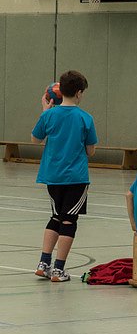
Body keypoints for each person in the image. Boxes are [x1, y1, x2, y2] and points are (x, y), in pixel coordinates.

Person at [32, 70, 97, 282]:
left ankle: (44, 263)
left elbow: (35, 139)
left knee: (56, 216)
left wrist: (44, 112)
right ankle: (58, 270)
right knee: (69, 220)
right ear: (78, 93)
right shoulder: (85, 118)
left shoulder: (48, 115)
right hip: (76, 178)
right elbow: (90, 151)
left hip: (52, 176)